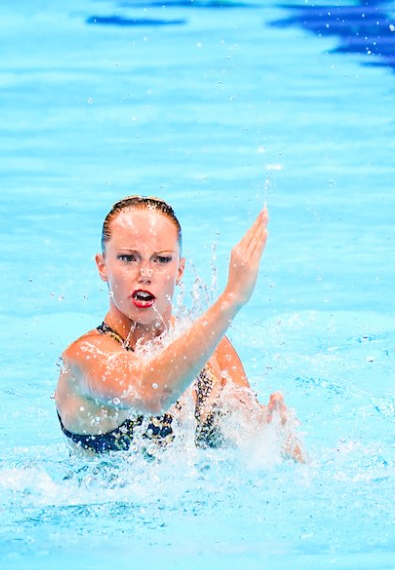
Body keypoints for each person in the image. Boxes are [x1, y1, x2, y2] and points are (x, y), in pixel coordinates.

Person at [55, 195, 303, 460]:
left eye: (161, 260)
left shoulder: (211, 348)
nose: (145, 273)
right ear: (102, 266)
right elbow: (151, 392)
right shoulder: (85, 357)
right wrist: (231, 299)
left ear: (180, 269)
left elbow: (250, 436)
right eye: (128, 258)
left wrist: (276, 440)